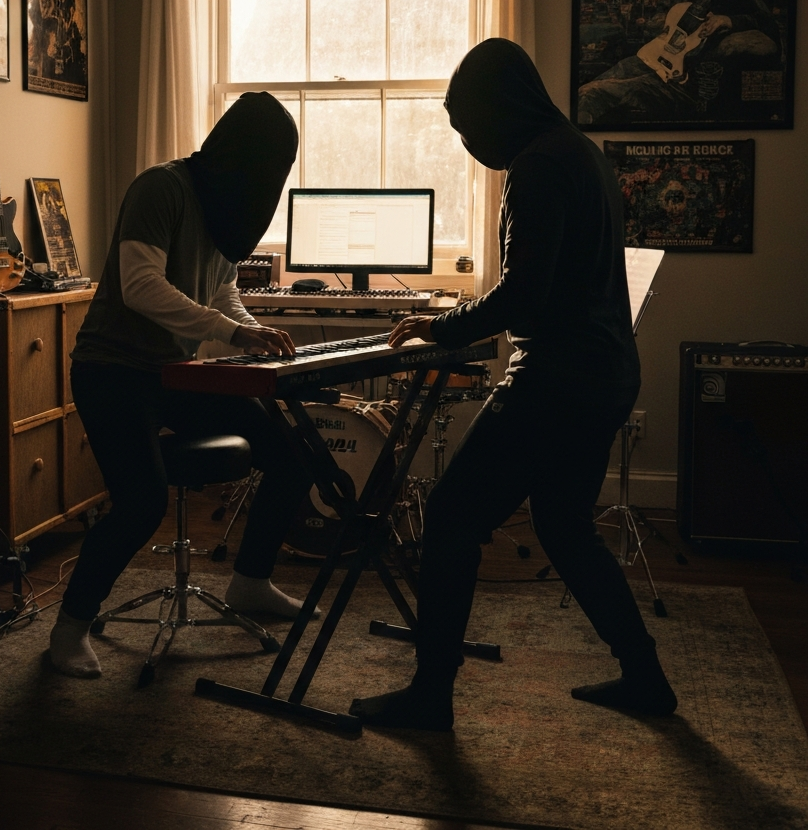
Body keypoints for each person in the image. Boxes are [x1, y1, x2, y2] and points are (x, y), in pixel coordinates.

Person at [350, 38, 677, 730]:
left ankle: (431, 696)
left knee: (450, 518)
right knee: (564, 528)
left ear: (498, 112)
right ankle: (645, 676)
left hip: (557, 380)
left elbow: (525, 297)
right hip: (608, 372)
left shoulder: (537, 169)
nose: (469, 145)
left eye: (469, 128)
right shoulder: (579, 152)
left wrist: (442, 328)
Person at [50, 92, 318, 678]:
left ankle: (250, 582)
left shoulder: (224, 207)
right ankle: (68, 629)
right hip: (112, 372)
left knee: (291, 457)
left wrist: (252, 330)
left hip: (174, 373)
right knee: (141, 502)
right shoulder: (162, 188)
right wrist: (230, 332)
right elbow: (141, 286)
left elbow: (220, 294)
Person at [576, 0, 780, 126]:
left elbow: (765, 19)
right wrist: (657, 22)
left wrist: (727, 20)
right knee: (614, 72)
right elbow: (661, 15)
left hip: (687, 74)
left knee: (598, 92)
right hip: (662, 54)